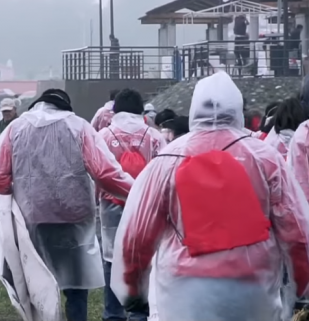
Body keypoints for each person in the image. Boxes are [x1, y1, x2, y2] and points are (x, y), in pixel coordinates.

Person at [111, 72, 309, 321]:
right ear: (238, 109)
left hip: (184, 293)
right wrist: (301, 284)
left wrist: (132, 289)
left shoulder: (166, 160)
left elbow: (138, 236)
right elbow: (296, 231)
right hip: (252, 290)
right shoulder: (265, 158)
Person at [0, 89, 134, 321]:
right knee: (76, 286)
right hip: (74, 219)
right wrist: (139, 193)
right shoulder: (79, 127)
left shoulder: (15, 128)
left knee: (38, 283)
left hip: (32, 219)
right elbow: (105, 174)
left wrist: (16, 195)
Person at [97, 89, 164, 321]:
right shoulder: (154, 136)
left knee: (112, 259)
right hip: (147, 208)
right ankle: (139, 312)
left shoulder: (104, 136)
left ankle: (113, 313)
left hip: (111, 207)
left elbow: (96, 173)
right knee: (144, 258)